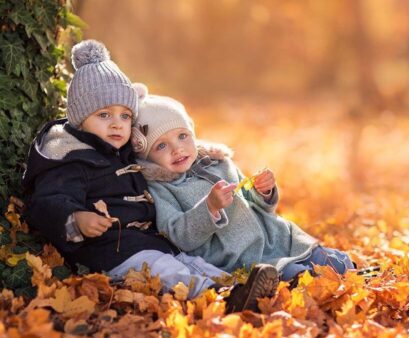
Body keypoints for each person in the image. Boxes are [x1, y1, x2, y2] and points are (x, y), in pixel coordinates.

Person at [21, 40, 278, 309]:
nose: (116, 124)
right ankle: (219, 300)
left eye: (124, 116)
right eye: (104, 115)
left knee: (192, 263)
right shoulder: (71, 158)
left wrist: (202, 152)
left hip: (149, 243)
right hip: (111, 252)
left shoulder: (121, 152)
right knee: (166, 270)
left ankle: (238, 290)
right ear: (79, 119)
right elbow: (48, 201)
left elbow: (164, 152)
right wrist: (76, 218)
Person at [131, 84, 355, 284]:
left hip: (273, 238)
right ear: (146, 155)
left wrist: (261, 192)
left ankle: (345, 271)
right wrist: (209, 208)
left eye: (182, 136)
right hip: (237, 255)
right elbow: (178, 234)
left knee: (334, 261)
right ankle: (299, 281)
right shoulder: (160, 188)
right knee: (298, 276)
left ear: (192, 133)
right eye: (161, 146)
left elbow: (251, 201)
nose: (177, 149)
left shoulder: (217, 163)